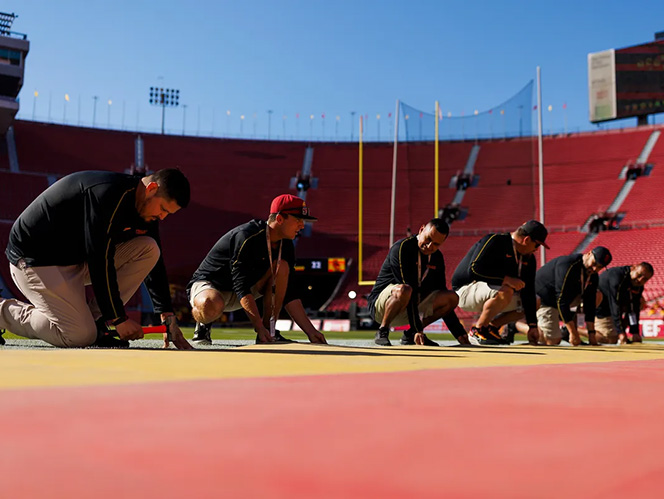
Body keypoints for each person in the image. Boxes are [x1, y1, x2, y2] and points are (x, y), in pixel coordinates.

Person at [0, 169, 192, 349]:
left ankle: (96, 324)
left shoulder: (146, 211)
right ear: (151, 189)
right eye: (163, 209)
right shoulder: (106, 194)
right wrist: (118, 319)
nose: (162, 216)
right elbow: (100, 260)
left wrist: (167, 314)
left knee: (149, 249)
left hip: (74, 261)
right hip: (35, 262)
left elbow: (155, 267)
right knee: (79, 336)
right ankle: (2, 311)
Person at [187, 194, 327, 345]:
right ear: (279, 219)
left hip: (243, 291)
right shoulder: (246, 236)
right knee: (210, 304)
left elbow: (289, 292)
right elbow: (240, 284)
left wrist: (311, 331)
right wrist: (257, 327)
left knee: (282, 267)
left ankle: (270, 330)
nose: (302, 225)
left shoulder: (285, 244)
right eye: (298, 220)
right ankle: (203, 324)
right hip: (213, 287)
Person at [367, 218, 468, 347]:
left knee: (451, 298)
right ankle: (383, 331)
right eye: (428, 239)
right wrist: (418, 329)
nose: (430, 246)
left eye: (436, 244)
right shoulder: (402, 248)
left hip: (411, 305)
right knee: (405, 289)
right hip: (382, 306)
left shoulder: (437, 257)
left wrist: (458, 332)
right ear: (421, 230)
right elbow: (407, 290)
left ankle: (409, 334)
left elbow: (441, 290)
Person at [452, 220, 548, 345]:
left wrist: (532, 325)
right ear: (527, 240)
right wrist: (506, 279)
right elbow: (474, 269)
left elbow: (528, 291)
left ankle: (491, 328)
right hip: (464, 290)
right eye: (537, 245)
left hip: (492, 292)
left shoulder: (528, 258)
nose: (536, 250)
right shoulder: (495, 240)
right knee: (506, 289)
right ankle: (477, 330)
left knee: (535, 301)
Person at [534, 246, 612, 346]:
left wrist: (591, 334)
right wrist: (573, 333)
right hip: (544, 299)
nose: (595, 269)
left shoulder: (592, 275)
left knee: (597, 295)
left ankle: (566, 330)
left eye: (600, 267)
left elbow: (590, 303)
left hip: (564, 299)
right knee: (552, 340)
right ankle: (516, 326)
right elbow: (561, 300)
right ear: (589, 254)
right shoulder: (568, 265)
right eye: (594, 263)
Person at [594, 262, 653, 344]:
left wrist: (635, 332)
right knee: (609, 339)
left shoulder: (638, 285)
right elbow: (615, 305)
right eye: (639, 275)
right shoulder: (617, 277)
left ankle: (620, 332)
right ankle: (576, 331)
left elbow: (634, 308)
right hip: (601, 306)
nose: (640, 280)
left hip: (615, 306)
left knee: (640, 302)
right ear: (633, 268)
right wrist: (620, 332)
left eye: (645, 279)